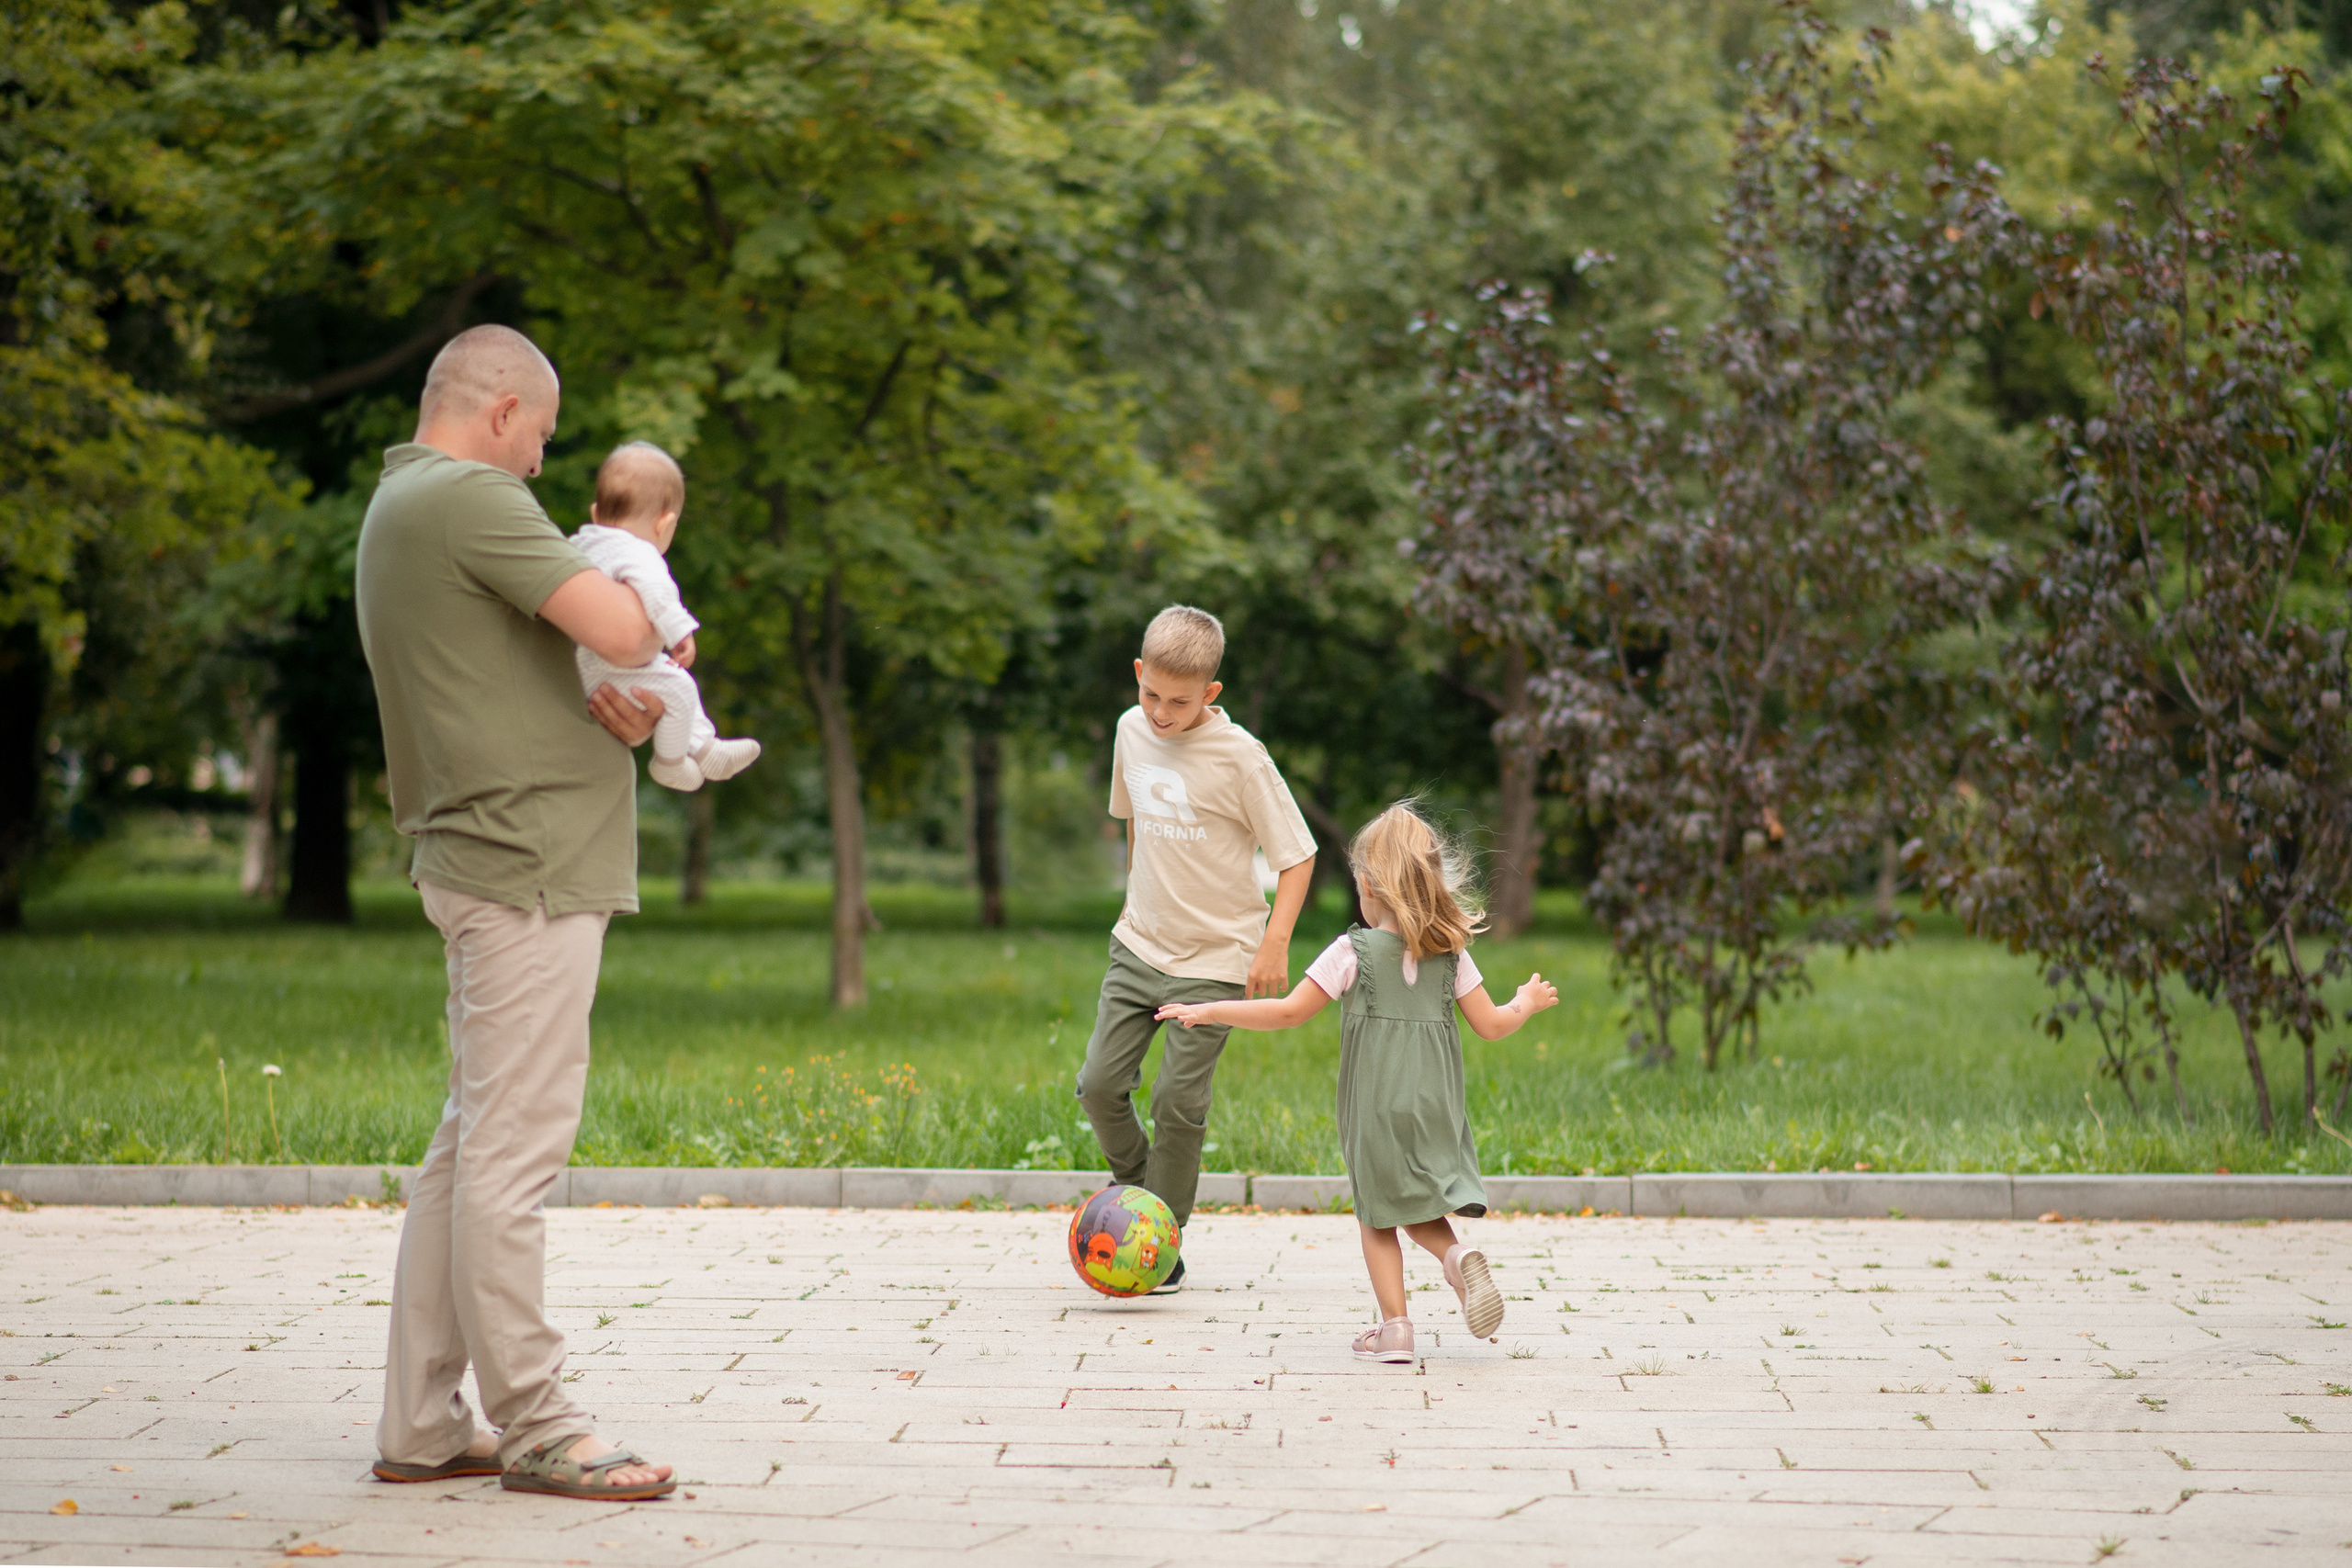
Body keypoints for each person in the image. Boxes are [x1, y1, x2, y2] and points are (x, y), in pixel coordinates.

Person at [354, 323, 675, 1501]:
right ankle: (536, 1420)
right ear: (499, 415)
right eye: (540, 437)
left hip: (484, 850)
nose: (545, 465)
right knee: (510, 1156)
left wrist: (607, 711)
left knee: (466, 1148)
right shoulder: (473, 497)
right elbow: (627, 625)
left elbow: (519, 669)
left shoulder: (402, 505)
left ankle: (422, 1423)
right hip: (525, 862)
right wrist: (637, 604)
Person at [1156, 802, 1559, 1361]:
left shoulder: (1353, 951)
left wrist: (1210, 1010)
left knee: (1377, 1213)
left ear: (1368, 885)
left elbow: (1290, 1012)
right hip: (1436, 1104)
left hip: (1375, 1104)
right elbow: (1491, 1026)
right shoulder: (1451, 953)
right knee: (1416, 1200)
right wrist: (1527, 1002)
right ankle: (1455, 1258)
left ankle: (1396, 1328)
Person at [1074, 605, 1317, 1292]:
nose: (1159, 711)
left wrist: (1273, 945)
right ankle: (1138, 1194)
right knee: (1097, 1086)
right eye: (1150, 692)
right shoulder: (1129, 729)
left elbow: (1298, 856)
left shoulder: (1242, 757)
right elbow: (1135, 828)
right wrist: (1134, 902)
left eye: (1178, 701)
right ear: (1138, 674)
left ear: (1210, 693)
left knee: (1179, 1102)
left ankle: (1161, 1237)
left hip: (1216, 959)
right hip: (1139, 946)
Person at [571, 441, 761, 793]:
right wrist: (680, 632)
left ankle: (706, 747)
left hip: (576, 666)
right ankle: (672, 764)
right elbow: (658, 595)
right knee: (680, 685)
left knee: (667, 678)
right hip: (602, 670)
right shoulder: (640, 552)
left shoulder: (580, 543)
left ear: (596, 513)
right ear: (665, 523)